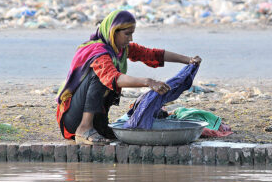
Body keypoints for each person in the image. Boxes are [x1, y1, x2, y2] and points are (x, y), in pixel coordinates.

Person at [56, 10, 202, 144]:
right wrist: (148, 82)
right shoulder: (97, 51)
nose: (131, 38)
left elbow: (152, 54)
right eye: (127, 34)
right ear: (113, 31)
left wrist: (188, 60)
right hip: (73, 117)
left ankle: (93, 127)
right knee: (99, 74)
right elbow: (114, 78)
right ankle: (84, 128)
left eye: (132, 33)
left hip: (97, 114)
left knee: (116, 134)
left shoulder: (120, 49)